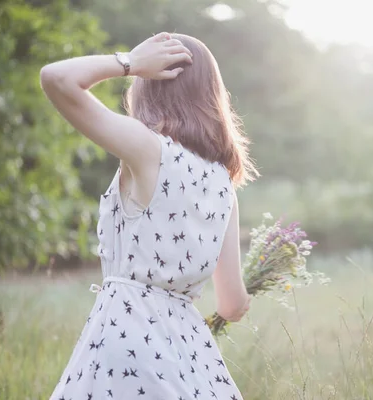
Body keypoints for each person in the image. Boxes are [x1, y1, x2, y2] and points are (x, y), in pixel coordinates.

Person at [40, 31, 257, 400]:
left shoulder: (148, 149)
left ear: (150, 86)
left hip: (128, 342)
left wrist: (128, 62)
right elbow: (232, 304)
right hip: (189, 355)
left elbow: (57, 78)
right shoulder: (224, 185)